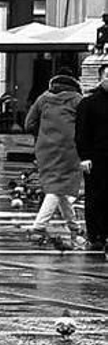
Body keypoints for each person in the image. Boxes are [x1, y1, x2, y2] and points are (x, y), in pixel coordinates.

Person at [26, 72, 83, 246]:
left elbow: (29, 124)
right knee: (57, 188)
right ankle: (39, 227)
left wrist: (43, 135)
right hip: (70, 149)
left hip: (45, 149)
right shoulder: (78, 100)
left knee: (58, 187)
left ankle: (74, 227)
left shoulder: (43, 99)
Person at [74, 62, 108, 253]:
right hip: (95, 158)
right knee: (95, 196)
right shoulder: (88, 103)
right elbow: (81, 132)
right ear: (100, 78)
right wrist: (84, 156)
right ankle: (96, 234)